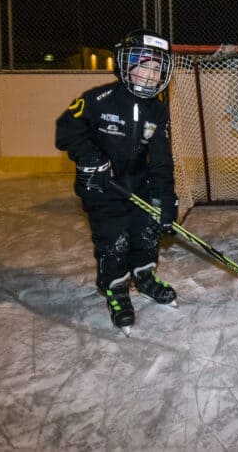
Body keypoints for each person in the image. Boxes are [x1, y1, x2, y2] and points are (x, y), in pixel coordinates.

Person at [55, 29, 180, 334]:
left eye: (157, 68)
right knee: (114, 240)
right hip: (102, 188)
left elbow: (161, 159)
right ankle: (116, 288)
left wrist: (165, 198)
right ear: (125, 64)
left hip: (137, 185)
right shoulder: (99, 100)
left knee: (147, 231)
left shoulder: (158, 110)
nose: (151, 75)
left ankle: (144, 274)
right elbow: (65, 131)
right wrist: (91, 158)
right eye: (144, 65)